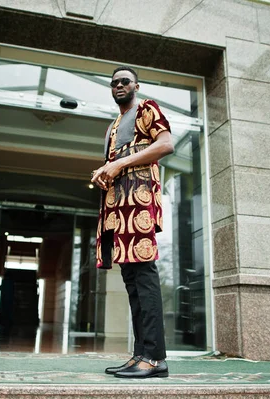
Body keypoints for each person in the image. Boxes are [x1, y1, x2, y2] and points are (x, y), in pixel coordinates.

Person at [91, 66, 174, 379]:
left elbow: (165, 145)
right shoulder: (114, 125)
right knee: (132, 282)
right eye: (113, 83)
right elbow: (117, 162)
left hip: (137, 205)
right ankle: (141, 354)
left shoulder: (146, 108)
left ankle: (155, 359)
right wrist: (105, 172)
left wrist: (121, 163)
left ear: (136, 85)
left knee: (144, 276)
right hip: (117, 209)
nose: (118, 85)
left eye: (124, 81)